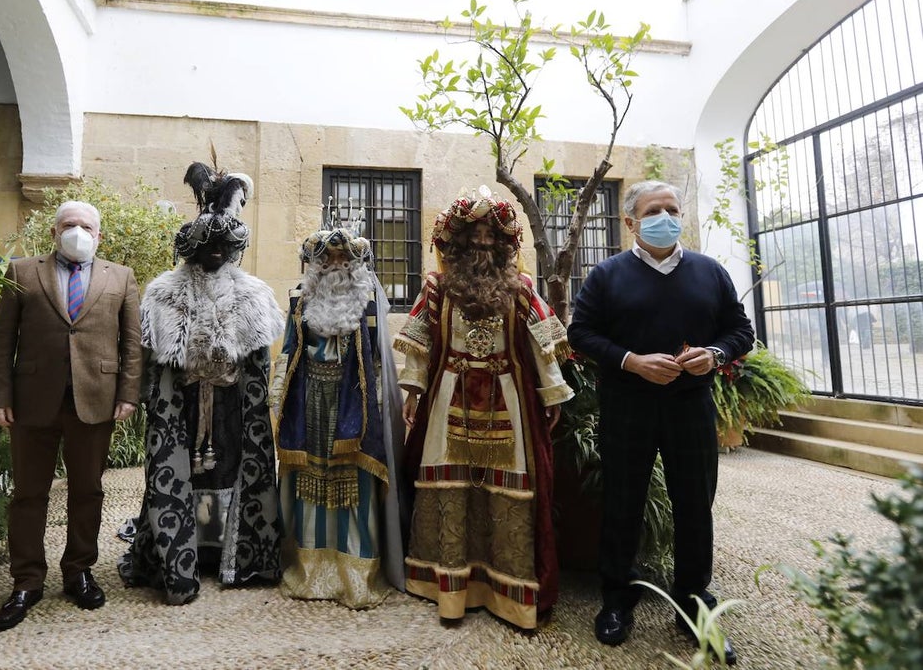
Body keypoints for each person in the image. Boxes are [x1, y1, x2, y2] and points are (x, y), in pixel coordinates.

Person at [567, 180, 755, 665]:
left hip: (691, 406)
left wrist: (714, 353)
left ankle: (694, 605)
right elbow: (580, 332)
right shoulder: (606, 275)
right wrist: (631, 360)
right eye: (655, 210)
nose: (666, 216)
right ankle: (617, 600)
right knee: (622, 503)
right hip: (627, 406)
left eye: (672, 209)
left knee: (696, 505)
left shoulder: (709, 272)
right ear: (631, 221)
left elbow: (741, 330)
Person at [395, 187, 573, 630]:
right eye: (472, 234)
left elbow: (542, 346)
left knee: (505, 491)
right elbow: (417, 346)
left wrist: (552, 394)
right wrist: (412, 393)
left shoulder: (523, 288)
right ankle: (449, 589)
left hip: (509, 402)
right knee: (450, 486)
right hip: (448, 401)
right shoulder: (436, 287)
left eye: (490, 234)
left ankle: (506, 593)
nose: (481, 242)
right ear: (454, 243)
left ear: (504, 242)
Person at [118, 161, 285, 605]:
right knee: (184, 476)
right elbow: (151, 362)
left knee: (229, 471)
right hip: (182, 404)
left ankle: (229, 555)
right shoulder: (162, 293)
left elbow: (258, 366)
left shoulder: (253, 294)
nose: (214, 251)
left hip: (233, 405)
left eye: (222, 244)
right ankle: (180, 559)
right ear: (191, 248)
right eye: (205, 244)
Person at [0, 200, 142, 632]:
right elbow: (0, 341)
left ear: (99, 235)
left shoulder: (121, 277)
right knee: (29, 493)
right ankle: (27, 581)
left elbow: (132, 344)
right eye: (68, 225)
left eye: (85, 226)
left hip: (95, 400)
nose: (77, 231)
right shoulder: (21, 272)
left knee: (87, 491)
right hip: (33, 400)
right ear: (54, 233)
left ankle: (79, 572)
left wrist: (128, 394)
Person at [272, 213, 409, 608]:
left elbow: (380, 362)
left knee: (356, 486)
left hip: (355, 405)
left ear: (354, 265)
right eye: (326, 260)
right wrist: (277, 398)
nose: (334, 267)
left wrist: (383, 408)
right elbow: (286, 353)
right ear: (315, 266)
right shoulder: (300, 300)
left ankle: (357, 577)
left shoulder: (366, 302)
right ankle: (310, 572)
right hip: (308, 401)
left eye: (342, 261)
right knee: (307, 485)